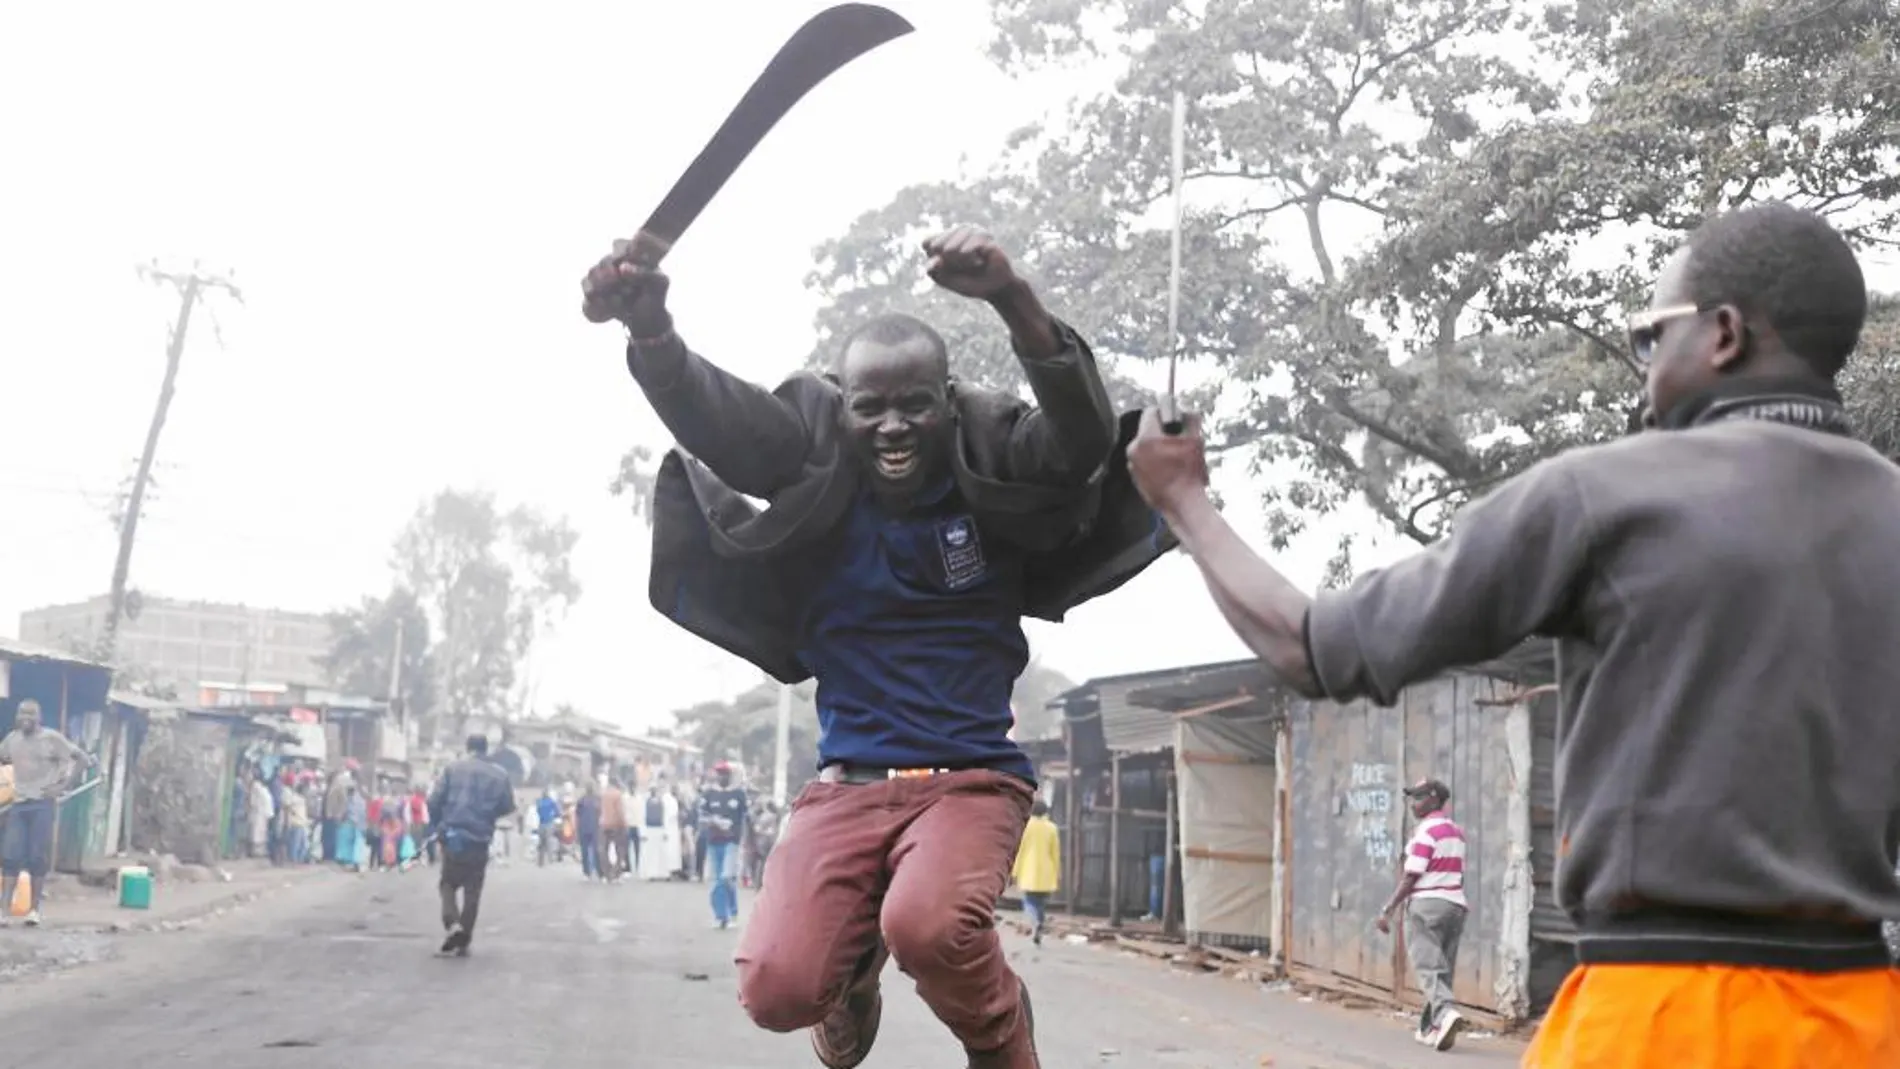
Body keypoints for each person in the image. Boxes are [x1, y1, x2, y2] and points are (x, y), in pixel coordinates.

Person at [1125, 201, 1900, 1068]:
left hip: (1663, 1014)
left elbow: (1311, 646)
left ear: (1722, 334)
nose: (1642, 372)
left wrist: (1183, 501)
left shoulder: (1606, 496)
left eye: (1650, 338)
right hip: (1866, 1019)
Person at [581, 224, 1169, 1069]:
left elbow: (1078, 441)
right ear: (843, 407)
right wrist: (651, 332)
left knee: (924, 924)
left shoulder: (993, 459)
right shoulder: (813, 462)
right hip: (846, 786)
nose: (893, 427)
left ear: (947, 400)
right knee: (776, 989)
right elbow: (725, 421)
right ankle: (853, 979)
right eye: (870, 409)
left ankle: (1000, 1025)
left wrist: (1012, 295)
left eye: (915, 405)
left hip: (969, 780)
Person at [1374, 779, 1467, 1050]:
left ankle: (1446, 1012)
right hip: (1456, 905)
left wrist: (1388, 908)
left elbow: (1411, 876)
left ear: (1435, 799)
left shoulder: (1425, 832)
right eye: (1412, 798)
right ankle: (1432, 1028)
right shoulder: (1456, 832)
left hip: (1426, 905)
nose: (1414, 803)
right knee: (1441, 968)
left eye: (1419, 797)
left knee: (1427, 967)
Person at [0, 700, 95, 927]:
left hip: (42, 804)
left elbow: (83, 759)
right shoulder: (12, 740)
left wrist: (63, 786)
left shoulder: (52, 739)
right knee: (11, 857)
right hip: (19, 804)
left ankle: (34, 911)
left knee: (37, 858)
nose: (26, 717)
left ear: (39, 717)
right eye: (22, 713)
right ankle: (3, 912)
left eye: (31, 713)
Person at [427, 735, 517, 956]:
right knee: (473, 890)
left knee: (447, 884)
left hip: (454, 835)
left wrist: (439, 824)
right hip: (480, 839)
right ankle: (464, 939)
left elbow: (433, 801)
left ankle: (452, 924)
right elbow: (507, 806)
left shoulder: (452, 769)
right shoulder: (500, 774)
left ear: (467, 748)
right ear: (486, 750)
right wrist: (487, 814)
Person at [699, 761, 749, 929]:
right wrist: (715, 821)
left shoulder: (739, 794)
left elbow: (746, 818)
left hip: (732, 842)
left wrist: (745, 841)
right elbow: (702, 818)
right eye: (719, 774)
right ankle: (723, 915)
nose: (722, 777)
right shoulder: (708, 794)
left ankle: (726, 912)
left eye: (725, 774)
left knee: (726, 877)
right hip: (714, 842)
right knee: (719, 879)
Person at [1011, 800, 1060, 946]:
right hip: (1047, 873)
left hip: (1029, 871)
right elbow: (1055, 853)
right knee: (1041, 904)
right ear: (1045, 812)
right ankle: (1040, 924)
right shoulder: (1052, 828)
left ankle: (1035, 923)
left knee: (1029, 902)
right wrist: (1057, 873)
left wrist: (1015, 871)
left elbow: (1020, 851)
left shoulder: (1026, 827)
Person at [637, 783, 681, 882]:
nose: (653, 792)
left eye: (655, 790)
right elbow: (641, 818)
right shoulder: (645, 802)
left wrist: (666, 831)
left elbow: (666, 817)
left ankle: (664, 873)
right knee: (650, 854)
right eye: (652, 790)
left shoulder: (662, 802)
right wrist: (642, 832)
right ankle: (651, 873)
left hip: (660, 829)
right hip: (649, 830)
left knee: (663, 853)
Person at [600, 778, 629, 884]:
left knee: (604, 850)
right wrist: (625, 824)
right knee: (620, 850)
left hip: (604, 824)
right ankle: (616, 874)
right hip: (616, 824)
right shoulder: (617, 794)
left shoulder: (603, 794)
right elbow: (620, 811)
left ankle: (606, 874)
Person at [574, 782, 602, 881]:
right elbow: (577, 815)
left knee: (590, 851)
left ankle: (591, 873)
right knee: (591, 851)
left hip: (588, 828)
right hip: (590, 828)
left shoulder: (583, 800)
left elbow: (577, 816)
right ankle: (594, 873)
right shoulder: (596, 799)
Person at [536, 788, 561, 866]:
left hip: (541, 823)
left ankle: (541, 861)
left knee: (542, 843)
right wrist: (553, 816)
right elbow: (557, 812)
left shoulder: (539, 802)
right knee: (549, 841)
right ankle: (550, 859)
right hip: (549, 823)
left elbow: (538, 811)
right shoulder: (551, 802)